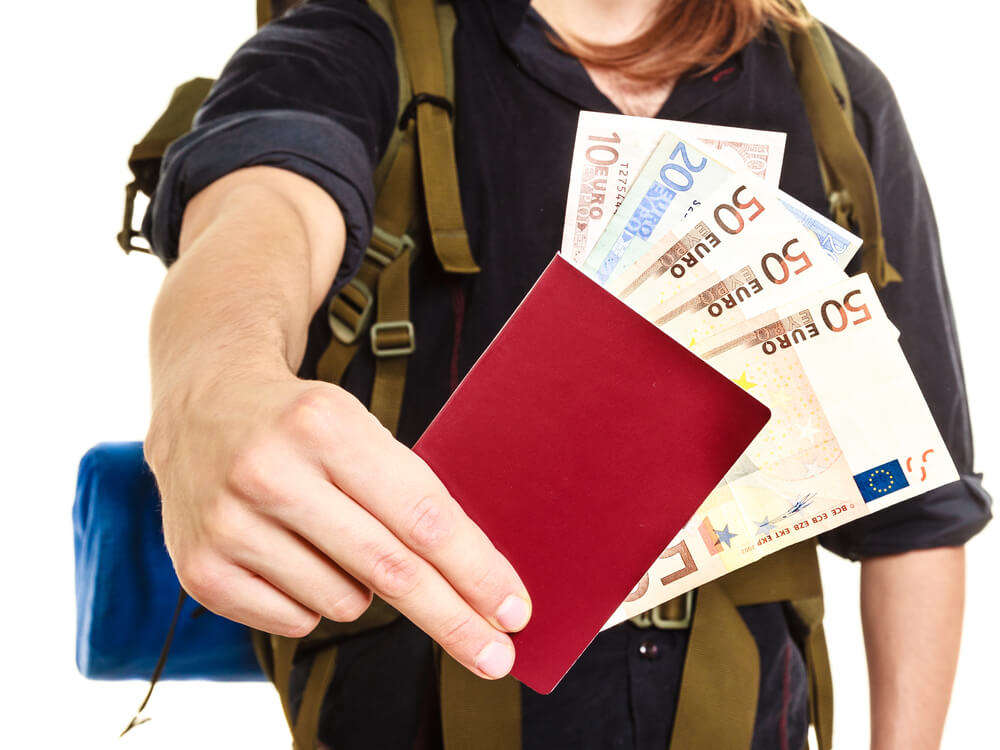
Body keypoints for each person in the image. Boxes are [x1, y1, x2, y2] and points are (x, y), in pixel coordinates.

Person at [142, 0, 991, 747]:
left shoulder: (833, 89)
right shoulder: (354, 42)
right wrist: (217, 377)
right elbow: (270, 195)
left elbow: (920, 522)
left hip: (746, 718)